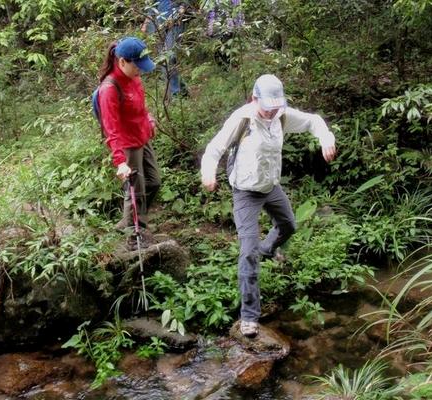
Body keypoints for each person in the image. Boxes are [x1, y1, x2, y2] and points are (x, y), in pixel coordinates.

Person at [200, 74, 337, 338]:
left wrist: (326, 139)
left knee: (288, 225)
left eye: (276, 106)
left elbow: (313, 121)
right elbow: (215, 148)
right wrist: (209, 173)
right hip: (245, 192)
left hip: (270, 187)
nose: (272, 111)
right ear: (254, 99)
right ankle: (249, 316)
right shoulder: (242, 119)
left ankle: (268, 248)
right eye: (268, 106)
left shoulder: (282, 116)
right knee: (247, 251)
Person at [98, 37, 161, 249]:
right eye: (137, 66)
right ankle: (134, 234)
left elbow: (140, 106)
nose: (140, 71)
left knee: (154, 182)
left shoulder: (134, 77)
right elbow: (111, 129)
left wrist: (149, 118)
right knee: (135, 191)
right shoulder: (109, 89)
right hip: (127, 145)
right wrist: (120, 162)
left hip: (141, 137)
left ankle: (132, 222)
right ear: (122, 61)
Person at [141, 0, 187, 97]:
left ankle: (176, 93)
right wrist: (146, 22)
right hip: (156, 20)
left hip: (174, 17)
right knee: (162, 59)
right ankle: (179, 90)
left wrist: (181, 9)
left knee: (169, 56)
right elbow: (151, 5)